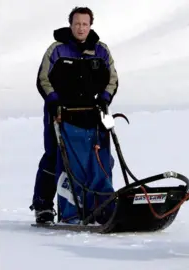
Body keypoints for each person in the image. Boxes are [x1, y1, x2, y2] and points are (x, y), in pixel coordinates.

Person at [30, 6, 119, 224]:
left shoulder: (101, 51)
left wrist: (104, 98)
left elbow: (112, 79)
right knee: (54, 156)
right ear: (71, 25)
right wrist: (53, 101)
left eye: (85, 24)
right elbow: (43, 79)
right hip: (59, 112)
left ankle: (98, 205)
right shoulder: (57, 50)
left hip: (90, 113)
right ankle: (43, 206)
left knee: (95, 159)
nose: (81, 28)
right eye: (77, 23)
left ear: (90, 26)